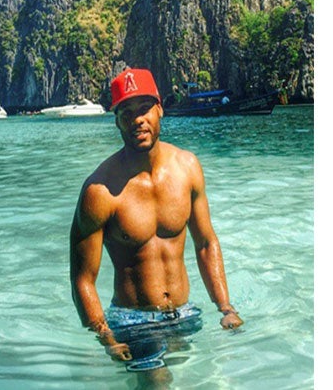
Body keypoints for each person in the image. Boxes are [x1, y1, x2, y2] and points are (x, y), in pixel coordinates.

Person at [70, 68, 243, 370]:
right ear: (116, 121)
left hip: (185, 313)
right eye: (126, 113)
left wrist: (225, 308)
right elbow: (82, 279)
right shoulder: (100, 191)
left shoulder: (187, 168)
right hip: (133, 322)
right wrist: (106, 336)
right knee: (159, 382)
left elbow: (205, 243)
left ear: (160, 109)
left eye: (144, 108)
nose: (137, 119)